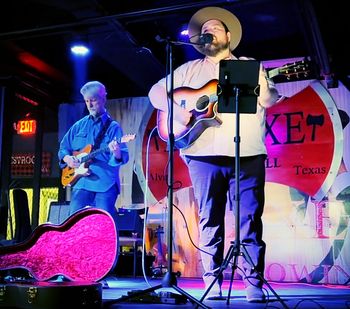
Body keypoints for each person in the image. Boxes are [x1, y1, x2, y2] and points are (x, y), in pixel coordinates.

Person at [148, 7, 279, 302]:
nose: (210, 32)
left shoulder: (249, 65)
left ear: (229, 36)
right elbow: (156, 93)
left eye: (216, 28)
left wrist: (266, 86)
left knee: (249, 219)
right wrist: (181, 112)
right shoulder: (188, 71)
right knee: (210, 219)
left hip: (246, 153)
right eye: (205, 29)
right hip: (202, 154)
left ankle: (253, 283)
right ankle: (213, 280)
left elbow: (269, 101)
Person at [58, 81, 129, 221]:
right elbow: (63, 148)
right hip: (82, 182)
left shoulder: (113, 127)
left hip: (105, 183)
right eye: (86, 101)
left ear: (103, 99)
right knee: (73, 223)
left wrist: (116, 153)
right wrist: (68, 159)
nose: (89, 105)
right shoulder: (79, 126)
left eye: (93, 100)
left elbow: (123, 157)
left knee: (103, 226)